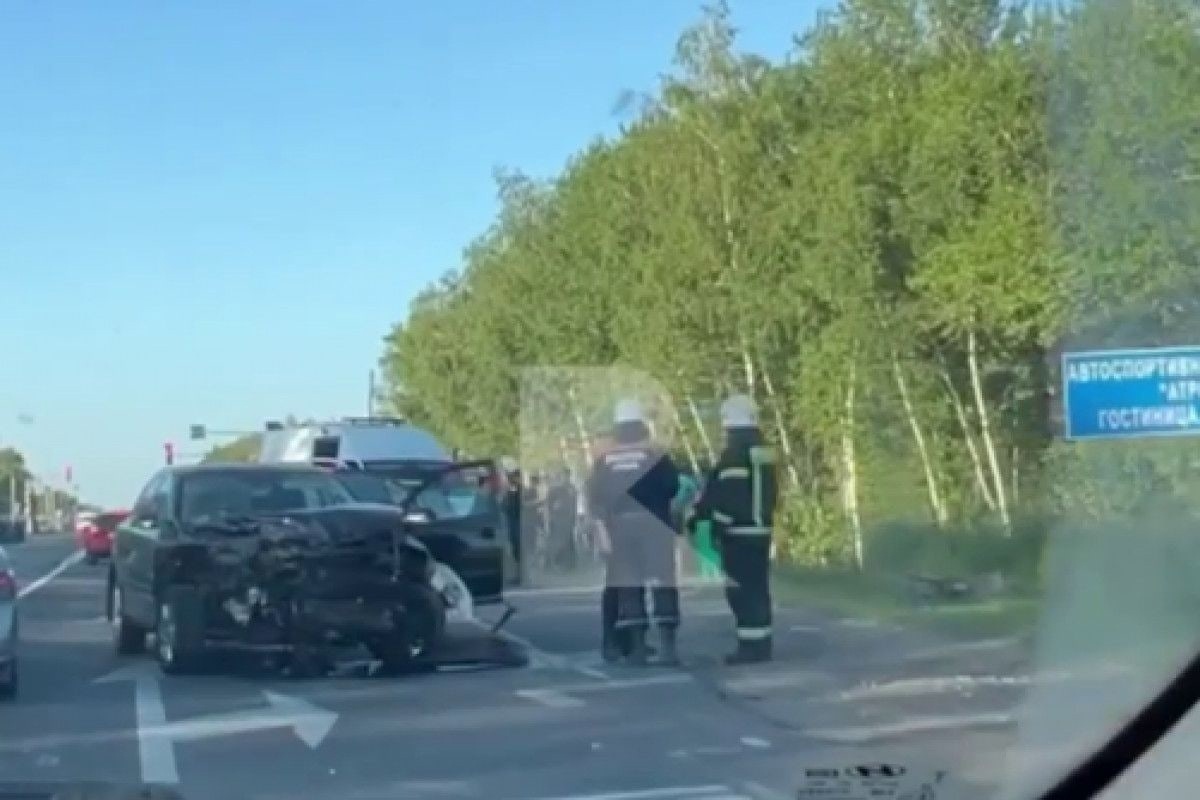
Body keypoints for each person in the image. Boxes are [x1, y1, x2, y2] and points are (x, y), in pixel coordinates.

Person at [587, 399, 682, 666]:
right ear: (641, 426)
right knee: (663, 582)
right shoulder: (654, 454)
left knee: (628, 585)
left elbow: (596, 498)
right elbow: (673, 487)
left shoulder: (605, 459)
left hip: (620, 527)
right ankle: (668, 647)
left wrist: (601, 530)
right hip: (655, 525)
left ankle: (637, 648)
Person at [689, 393, 778, 664]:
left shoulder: (734, 456)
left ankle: (750, 647)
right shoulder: (764, 454)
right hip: (761, 531)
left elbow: (727, 495)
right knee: (758, 588)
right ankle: (761, 643)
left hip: (738, 533)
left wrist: (708, 522)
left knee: (741, 591)